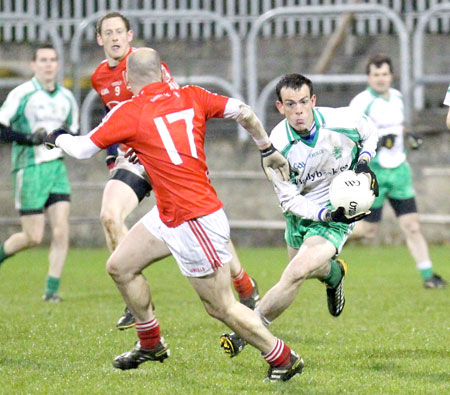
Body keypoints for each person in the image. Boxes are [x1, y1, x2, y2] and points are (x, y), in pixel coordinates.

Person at [44, 47, 302, 382]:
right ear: (163, 71)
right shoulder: (192, 95)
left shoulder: (130, 111)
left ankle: (282, 357)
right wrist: (266, 148)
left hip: (194, 219)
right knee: (120, 267)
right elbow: (244, 111)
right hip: (169, 214)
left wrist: (54, 137)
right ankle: (150, 343)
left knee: (220, 307)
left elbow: (80, 148)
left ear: (126, 78)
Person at [92, 12, 259, 330]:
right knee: (109, 215)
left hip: (169, 160)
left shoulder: (147, 67)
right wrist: (113, 159)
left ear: (130, 36)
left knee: (201, 223)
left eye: (119, 32)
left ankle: (244, 284)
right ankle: (135, 300)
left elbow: (178, 109)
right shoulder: (100, 76)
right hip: (135, 160)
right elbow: (110, 117)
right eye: (107, 33)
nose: (114, 38)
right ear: (99, 39)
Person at [219, 73, 379, 360]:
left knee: (294, 273)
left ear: (313, 101)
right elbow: (290, 199)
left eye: (304, 102)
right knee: (302, 270)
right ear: (280, 107)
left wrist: (365, 162)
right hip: (300, 215)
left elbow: (370, 133)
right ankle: (334, 274)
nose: (299, 110)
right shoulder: (276, 146)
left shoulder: (340, 121)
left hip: (338, 215)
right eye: (291, 104)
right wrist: (322, 212)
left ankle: (247, 331)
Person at [349, 54, 447, 289]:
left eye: (384, 74)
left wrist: (407, 133)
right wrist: (378, 143)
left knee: (412, 225)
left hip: (400, 172)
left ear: (391, 75)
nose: (381, 79)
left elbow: (396, 125)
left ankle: (428, 277)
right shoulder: (360, 103)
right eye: (376, 75)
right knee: (368, 231)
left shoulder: (398, 98)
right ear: (368, 77)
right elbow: (349, 137)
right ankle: (326, 235)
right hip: (375, 174)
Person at [0, 44, 79, 302]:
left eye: (53, 60)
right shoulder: (22, 94)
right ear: (33, 65)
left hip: (56, 167)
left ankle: (51, 290)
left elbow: (73, 133)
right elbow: (2, 128)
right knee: (33, 237)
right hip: (29, 168)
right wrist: (28, 138)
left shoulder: (67, 98)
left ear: (58, 65)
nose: (48, 64)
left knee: (61, 229)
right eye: (43, 60)